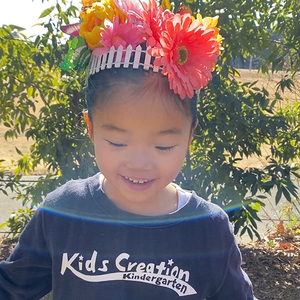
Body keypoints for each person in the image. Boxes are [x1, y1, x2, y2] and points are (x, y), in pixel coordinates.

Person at [0, 0, 257, 299]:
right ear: (92, 128)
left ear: (189, 137)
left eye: (164, 145)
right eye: (117, 142)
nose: (139, 163)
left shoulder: (207, 230)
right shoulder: (64, 211)